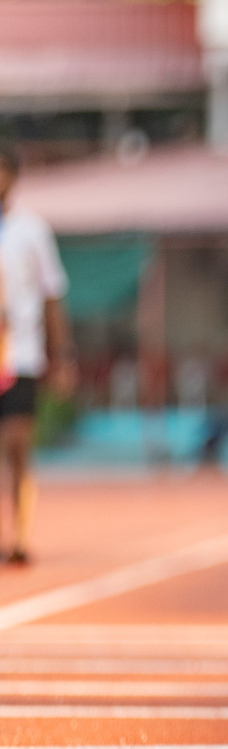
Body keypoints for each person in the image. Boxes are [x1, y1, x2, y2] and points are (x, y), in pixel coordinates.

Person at [0, 143, 75, 566]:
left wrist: (62, 356)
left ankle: (20, 536)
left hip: (21, 356)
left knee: (16, 445)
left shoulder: (32, 230)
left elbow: (53, 295)